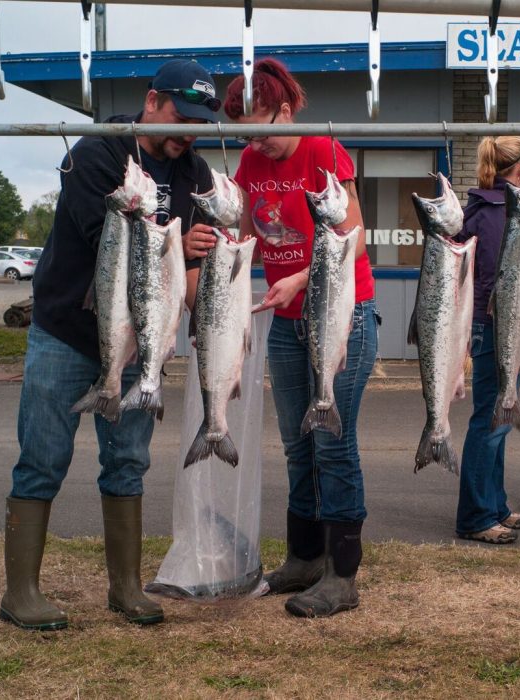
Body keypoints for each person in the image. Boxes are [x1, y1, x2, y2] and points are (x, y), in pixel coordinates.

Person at [0, 59, 221, 631]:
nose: (187, 133)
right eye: (180, 116)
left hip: (141, 345)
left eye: (198, 123)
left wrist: (219, 318)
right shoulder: (97, 152)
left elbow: (185, 275)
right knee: (42, 460)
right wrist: (177, 246)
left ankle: (125, 588)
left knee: (128, 462)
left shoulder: (194, 171)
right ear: (151, 101)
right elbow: (115, 256)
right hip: (66, 335)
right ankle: (20, 592)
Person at [223, 58, 378, 617]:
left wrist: (300, 276)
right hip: (286, 324)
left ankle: (342, 575)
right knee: (297, 443)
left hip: (342, 313)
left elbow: (355, 241)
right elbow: (243, 237)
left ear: (284, 111)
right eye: (245, 134)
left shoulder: (321, 151)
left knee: (334, 442)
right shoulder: (248, 161)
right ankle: (304, 556)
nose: (254, 142)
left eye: (260, 127)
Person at [455, 136, 520, 544]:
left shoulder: (494, 205)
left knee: (501, 418)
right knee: (489, 420)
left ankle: (495, 504)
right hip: (496, 327)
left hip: (506, 326)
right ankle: (475, 516)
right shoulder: (496, 212)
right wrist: (518, 334)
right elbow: (495, 282)